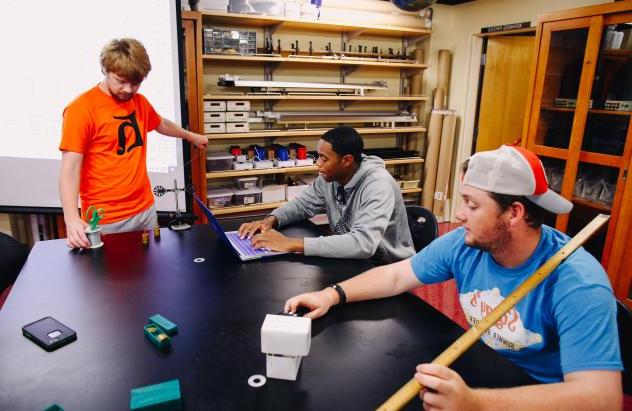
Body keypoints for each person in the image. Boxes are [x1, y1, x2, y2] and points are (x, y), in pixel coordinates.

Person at [285, 145, 623, 410]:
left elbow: (600, 400)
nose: (459, 214)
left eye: (472, 204)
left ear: (514, 213)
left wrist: (477, 404)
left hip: (539, 397)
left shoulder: (578, 283)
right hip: (483, 371)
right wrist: (332, 294)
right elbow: (397, 276)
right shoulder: (467, 243)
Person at [59, 38, 207, 249]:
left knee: (150, 276)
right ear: (105, 69)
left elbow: (160, 123)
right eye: (121, 80)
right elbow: (70, 167)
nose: (128, 89)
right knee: (112, 281)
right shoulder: (81, 110)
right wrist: (71, 218)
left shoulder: (140, 102)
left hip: (145, 211)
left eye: (136, 83)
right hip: (105, 219)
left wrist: (192, 136)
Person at [238, 126, 414, 263]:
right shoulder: (330, 177)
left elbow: (363, 244)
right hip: (352, 261)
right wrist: (269, 221)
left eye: (324, 158)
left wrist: (291, 243)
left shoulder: (378, 185)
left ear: (347, 161)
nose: (317, 164)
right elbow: (302, 205)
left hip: (386, 266)